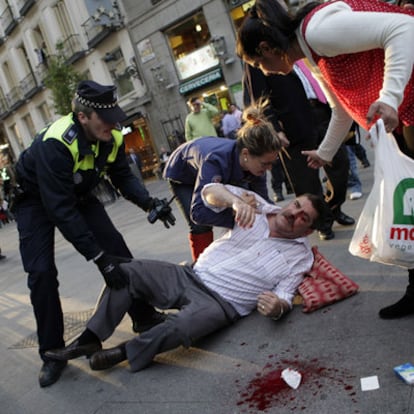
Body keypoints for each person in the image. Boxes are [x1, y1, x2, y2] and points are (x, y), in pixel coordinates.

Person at [236, 0, 414, 319]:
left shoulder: (318, 32)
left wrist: (389, 97)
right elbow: (340, 106)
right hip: (405, 114)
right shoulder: (312, 51)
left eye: (259, 64)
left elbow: (405, 28)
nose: (264, 71)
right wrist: (326, 152)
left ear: (267, 47)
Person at [45, 183, 328, 375]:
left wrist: (278, 307)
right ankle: (90, 338)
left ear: (307, 231)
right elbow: (209, 191)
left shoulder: (300, 257)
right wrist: (235, 201)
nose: (294, 213)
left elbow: (286, 294)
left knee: (180, 326)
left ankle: (124, 352)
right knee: (126, 271)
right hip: (189, 274)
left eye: (304, 217)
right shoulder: (256, 206)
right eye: (296, 205)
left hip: (222, 303)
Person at [13, 80, 175, 388]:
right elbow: (61, 211)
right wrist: (98, 259)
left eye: (116, 116)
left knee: (117, 249)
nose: (116, 124)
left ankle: (143, 315)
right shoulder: (57, 144)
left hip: (77, 193)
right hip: (35, 200)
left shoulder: (110, 136)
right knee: (41, 272)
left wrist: (149, 203)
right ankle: (51, 353)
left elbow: (122, 176)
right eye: (107, 117)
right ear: (83, 116)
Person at [243, 63, 354, 240]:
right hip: (293, 125)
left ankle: (332, 209)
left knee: (340, 165)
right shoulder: (258, 58)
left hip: (323, 112)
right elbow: (257, 97)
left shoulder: (297, 42)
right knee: (306, 181)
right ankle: (322, 223)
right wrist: (275, 128)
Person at [164, 100, 281, 261]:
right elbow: (198, 213)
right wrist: (236, 211)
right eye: (265, 164)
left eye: (271, 164)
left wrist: (280, 217)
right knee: (200, 226)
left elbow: (263, 203)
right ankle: (200, 271)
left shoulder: (256, 164)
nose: (268, 169)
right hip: (182, 174)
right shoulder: (216, 160)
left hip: (210, 163)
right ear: (246, 154)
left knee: (246, 206)